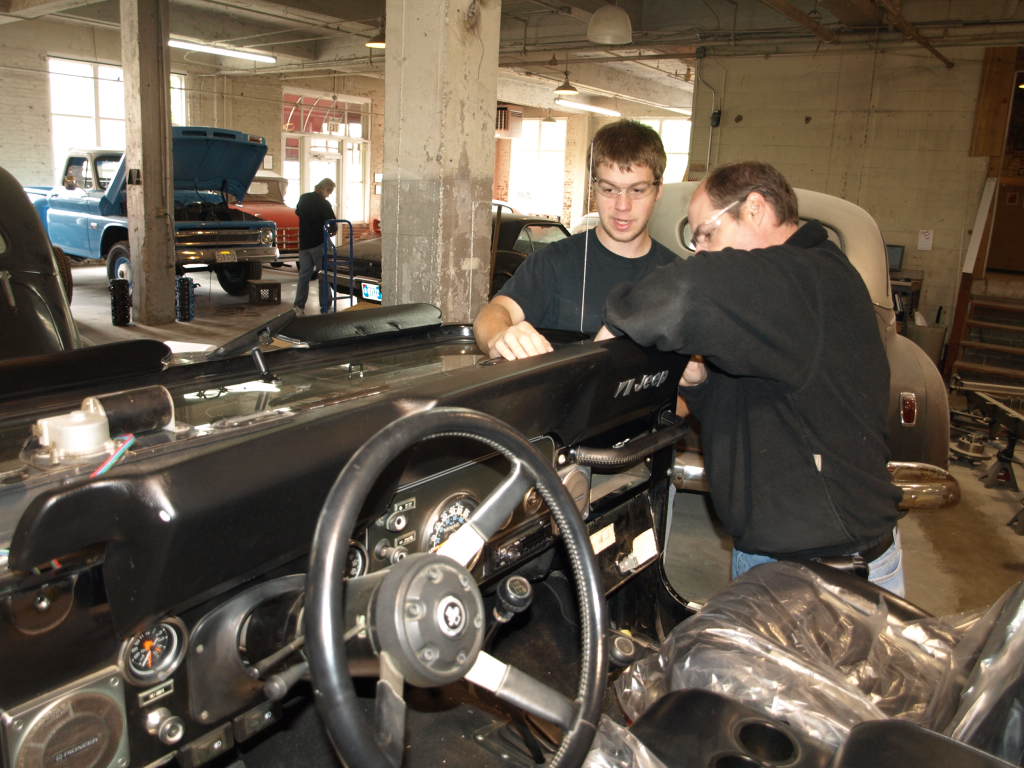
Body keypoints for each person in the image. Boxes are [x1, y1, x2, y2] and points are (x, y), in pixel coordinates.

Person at [596, 161, 906, 594]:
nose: (701, 250)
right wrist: (701, 382)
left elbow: (691, 289)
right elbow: (762, 402)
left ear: (756, 209)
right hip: (781, 558)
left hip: (825, 575)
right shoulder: (790, 296)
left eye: (707, 233)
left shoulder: (806, 276)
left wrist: (613, 330)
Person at [473, 120, 678, 360]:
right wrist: (500, 336)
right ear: (594, 188)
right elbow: (492, 314)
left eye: (638, 190)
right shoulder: (554, 262)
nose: (623, 206)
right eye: (609, 189)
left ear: (659, 189)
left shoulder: (679, 277)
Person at [294, 178, 337, 314]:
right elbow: (333, 225)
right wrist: (330, 232)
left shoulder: (303, 198)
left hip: (304, 244)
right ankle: (325, 305)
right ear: (326, 189)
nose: (329, 194)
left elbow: (298, 212)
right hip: (319, 244)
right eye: (329, 191)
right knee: (323, 275)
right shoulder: (324, 204)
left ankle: (299, 305)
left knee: (304, 276)